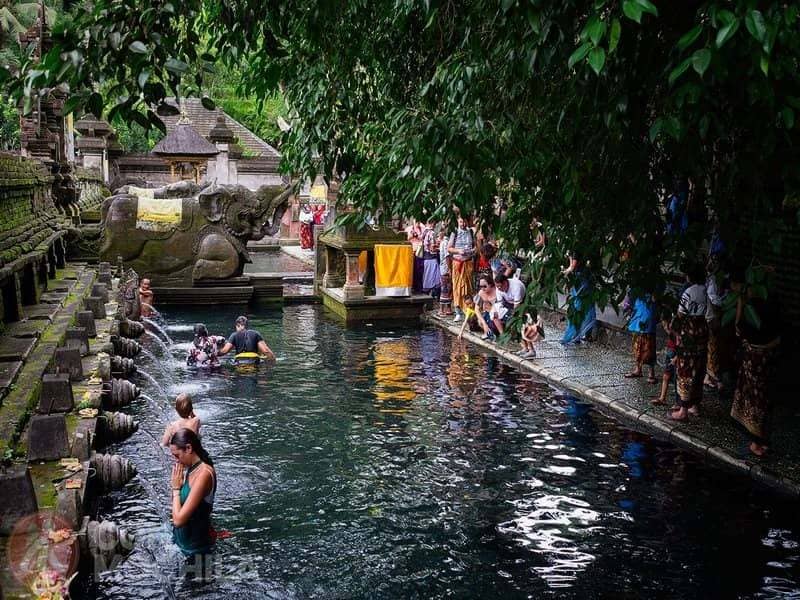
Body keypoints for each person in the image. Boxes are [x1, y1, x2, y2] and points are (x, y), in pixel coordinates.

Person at [730, 283, 781, 457]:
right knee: (763, 399)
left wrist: (740, 304)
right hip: (767, 357)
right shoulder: (773, 307)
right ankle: (761, 440)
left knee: (755, 399)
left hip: (754, 358)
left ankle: (755, 442)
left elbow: (738, 329)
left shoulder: (751, 311)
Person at [669, 264, 709, 421]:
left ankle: (683, 410)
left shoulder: (689, 292)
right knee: (699, 369)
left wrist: (674, 329)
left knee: (685, 369)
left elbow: (680, 313)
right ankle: (695, 405)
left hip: (689, 333)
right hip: (702, 332)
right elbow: (711, 315)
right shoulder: (706, 291)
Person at [169, 428, 216, 558]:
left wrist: (176, 488)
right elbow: (174, 509)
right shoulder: (190, 469)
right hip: (181, 545)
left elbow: (178, 520)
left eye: (177, 456)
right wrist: (176, 486)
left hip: (196, 553)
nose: (176, 460)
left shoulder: (204, 474)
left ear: (189, 448)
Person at [623, 291, 658, 383]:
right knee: (637, 346)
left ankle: (651, 373)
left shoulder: (654, 288)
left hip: (647, 318)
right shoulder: (636, 288)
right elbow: (628, 301)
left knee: (649, 347)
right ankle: (638, 369)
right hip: (638, 317)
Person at [561, 253, 596, 344]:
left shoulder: (576, 249)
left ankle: (575, 335)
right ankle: (582, 334)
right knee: (583, 307)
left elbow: (572, 266)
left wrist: (565, 273)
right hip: (583, 279)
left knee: (578, 307)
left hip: (580, 280)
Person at [448, 215, 476, 323]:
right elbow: (449, 248)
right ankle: (458, 311)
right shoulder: (454, 232)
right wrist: (458, 251)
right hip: (458, 263)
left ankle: (469, 310)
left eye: (465, 222)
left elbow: (475, 247)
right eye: (461, 222)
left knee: (468, 288)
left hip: (468, 263)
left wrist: (472, 251)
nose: (463, 224)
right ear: (458, 222)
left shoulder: (471, 232)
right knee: (457, 287)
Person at [651, 318, 678, 406]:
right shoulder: (672, 335)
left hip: (676, 353)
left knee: (677, 379)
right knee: (666, 376)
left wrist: (676, 358)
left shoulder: (680, 335)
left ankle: (678, 403)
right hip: (671, 351)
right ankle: (662, 398)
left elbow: (683, 347)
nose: (666, 328)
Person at [421, 221, 441, 297]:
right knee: (432, 279)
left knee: (427, 278)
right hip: (431, 258)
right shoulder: (431, 233)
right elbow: (432, 248)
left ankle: (427, 297)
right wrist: (440, 247)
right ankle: (428, 298)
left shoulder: (424, 232)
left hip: (425, 258)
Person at [438, 229, 453, 316]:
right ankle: (441, 309)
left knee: (446, 288)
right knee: (445, 288)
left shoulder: (443, 242)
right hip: (446, 268)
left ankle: (447, 308)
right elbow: (447, 257)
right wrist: (450, 268)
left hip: (443, 267)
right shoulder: (446, 242)